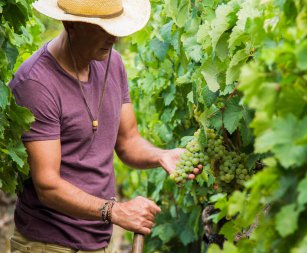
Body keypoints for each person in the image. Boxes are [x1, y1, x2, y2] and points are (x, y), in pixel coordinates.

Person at [8, 0, 200, 252]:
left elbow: (128, 142)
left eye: (116, 27)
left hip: (97, 239)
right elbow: (48, 186)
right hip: (47, 244)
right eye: (103, 28)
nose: (115, 37)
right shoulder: (36, 83)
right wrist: (115, 211)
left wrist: (163, 156)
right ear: (71, 24)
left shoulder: (112, 63)